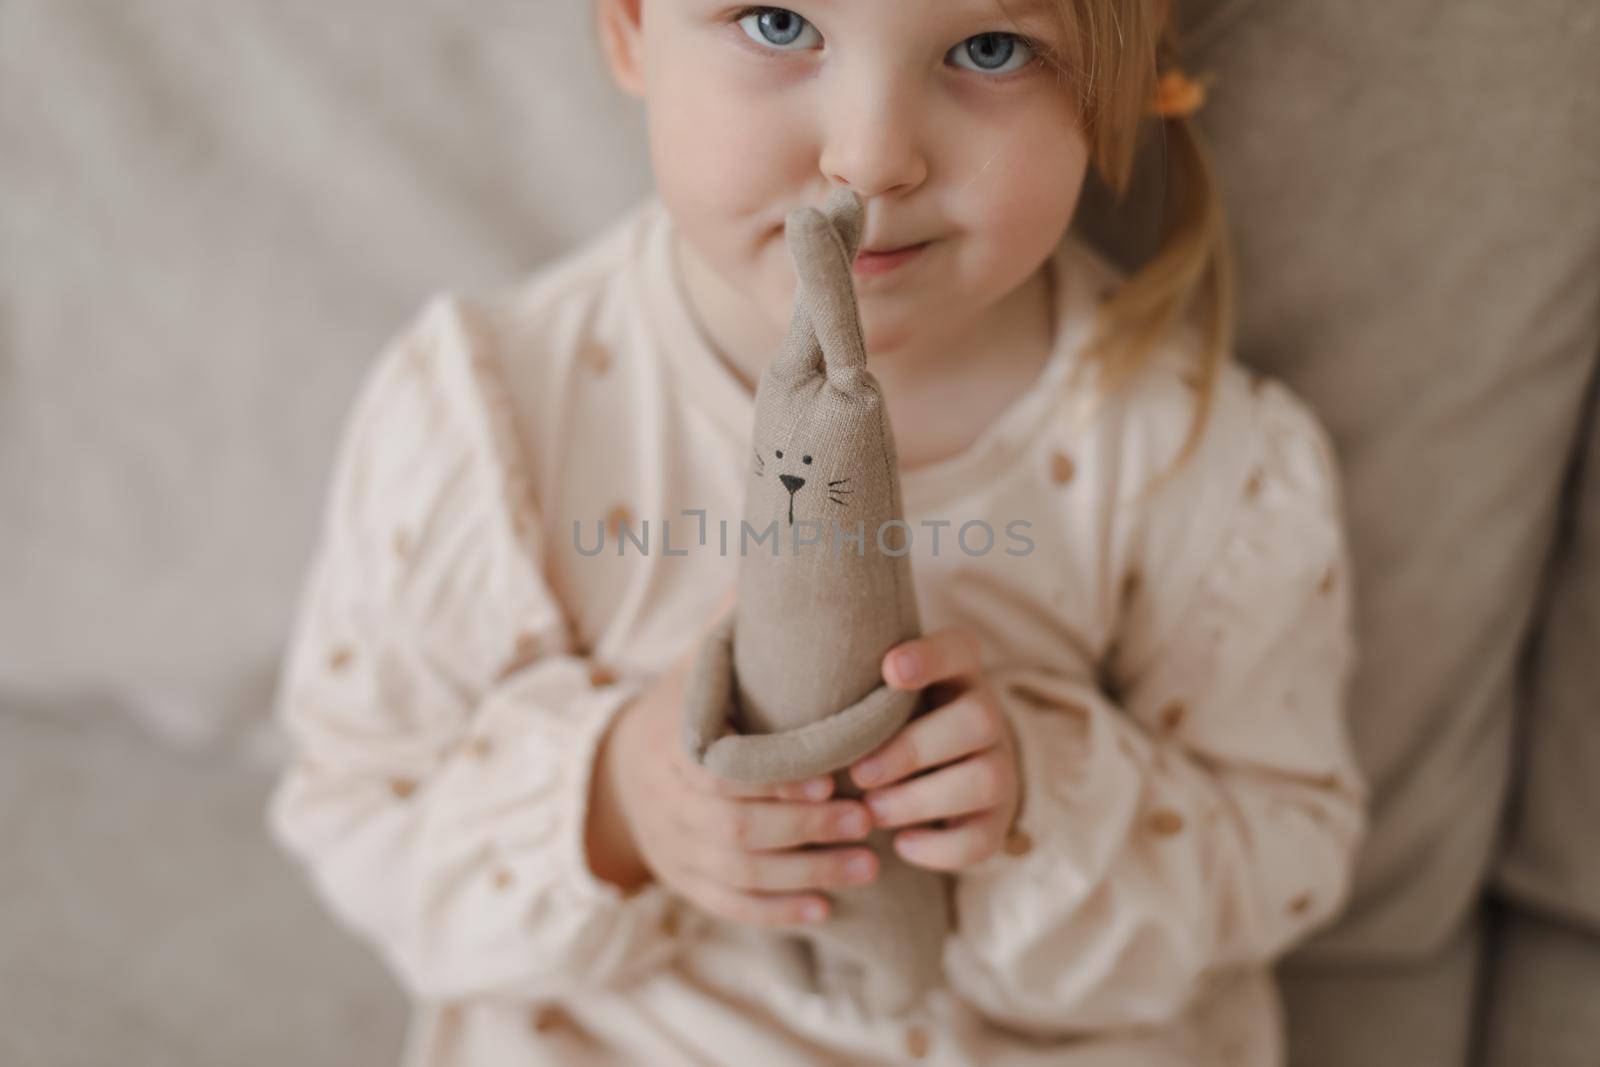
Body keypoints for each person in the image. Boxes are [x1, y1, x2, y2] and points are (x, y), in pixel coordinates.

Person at [266, 1, 1367, 1063]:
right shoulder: (493, 413)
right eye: (778, 24)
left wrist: (1041, 799)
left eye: (989, 47)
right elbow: (359, 809)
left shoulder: (1202, 462)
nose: (872, 157)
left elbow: (1284, 853)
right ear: (629, 27)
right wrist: (608, 804)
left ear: (1117, 86)